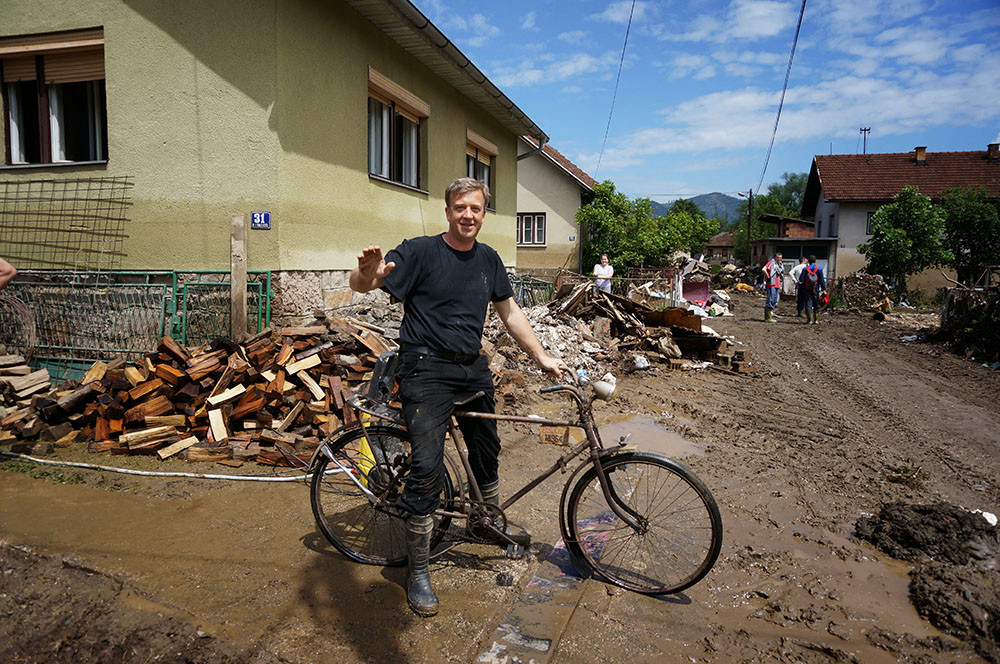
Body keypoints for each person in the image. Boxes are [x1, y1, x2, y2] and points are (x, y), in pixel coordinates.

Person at [349, 177, 567, 618]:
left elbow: (510, 312)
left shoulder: (489, 259)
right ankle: (418, 568)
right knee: (427, 466)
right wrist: (366, 274)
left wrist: (541, 354)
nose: (469, 215)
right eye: (461, 207)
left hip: (471, 367)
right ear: (447, 211)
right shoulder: (420, 251)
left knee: (487, 448)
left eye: (477, 209)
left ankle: (484, 523)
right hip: (425, 369)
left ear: (484, 214)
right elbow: (364, 283)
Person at [798, 255, 826, 324]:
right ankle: (816, 320)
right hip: (815, 289)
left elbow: (801, 279)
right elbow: (822, 280)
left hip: (807, 289)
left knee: (808, 303)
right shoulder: (819, 269)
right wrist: (823, 289)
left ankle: (809, 320)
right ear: (815, 261)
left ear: (808, 261)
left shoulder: (805, 269)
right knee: (816, 303)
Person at [762, 252, 783, 322]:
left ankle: (770, 314)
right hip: (771, 284)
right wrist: (768, 277)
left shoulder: (779, 265)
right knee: (770, 299)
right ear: (775, 257)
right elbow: (764, 269)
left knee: (774, 300)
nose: (779, 259)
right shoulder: (771, 262)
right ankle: (767, 318)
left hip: (777, 284)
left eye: (780, 257)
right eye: (778, 257)